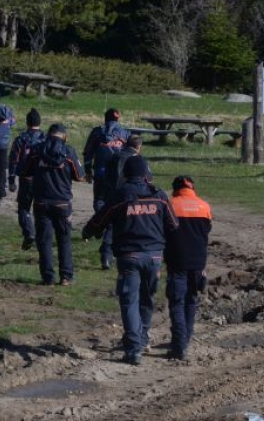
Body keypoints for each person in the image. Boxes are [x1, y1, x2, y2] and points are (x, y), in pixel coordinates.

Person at [82, 155, 178, 365]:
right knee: (147, 299)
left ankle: (134, 347)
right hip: (154, 257)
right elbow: (173, 225)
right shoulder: (159, 195)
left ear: (125, 174)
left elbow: (101, 219)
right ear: (146, 174)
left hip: (129, 256)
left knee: (129, 301)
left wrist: (88, 231)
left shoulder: (121, 195)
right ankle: (142, 339)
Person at [21, 123, 85, 286]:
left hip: (41, 201)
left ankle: (48, 277)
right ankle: (66, 276)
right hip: (62, 203)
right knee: (64, 240)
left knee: (45, 241)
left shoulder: (36, 150)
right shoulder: (68, 152)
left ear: (49, 134)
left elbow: (25, 171)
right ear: (64, 136)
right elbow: (80, 176)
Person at [164, 175, 212, 361]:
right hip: (198, 263)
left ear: (175, 188)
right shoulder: (204, 207)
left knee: (176, 302)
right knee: (191, 300)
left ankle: (179, 345)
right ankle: (185, 340)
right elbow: (206, 231)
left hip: (176, 262)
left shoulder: (170, 205)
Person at [83, 108, 131, 270]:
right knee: (114, 207)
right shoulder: (124, 132)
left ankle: (100, 223)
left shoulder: (97, 132)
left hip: (101, 173)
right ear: (118, 119)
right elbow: (130, 153)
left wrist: (88, 170)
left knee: (99, 200)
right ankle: (103, 228)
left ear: (105, 119)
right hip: (118, 176)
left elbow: (88, 152)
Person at [8, 108, 45, 251]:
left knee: (24, 208)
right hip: (43, 179)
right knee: (41, 209)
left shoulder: (21, 139)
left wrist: (11, 179)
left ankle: (29, 233)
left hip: (26, 178)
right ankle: (41, 236)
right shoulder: (46, 138)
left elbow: (13, 160)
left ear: (27, 122)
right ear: (39, 122)